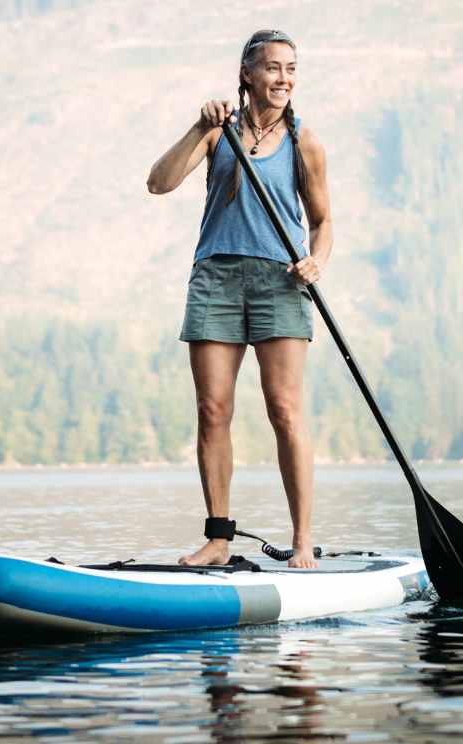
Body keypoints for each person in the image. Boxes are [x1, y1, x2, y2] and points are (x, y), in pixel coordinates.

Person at [147, 29, 333, 568]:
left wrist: (316, 259)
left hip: (281, 281)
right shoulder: (218, 133)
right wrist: (199, 126)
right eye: (273, 68)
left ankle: (301, 543)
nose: (284, 78)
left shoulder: (306, 143)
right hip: (216, 279)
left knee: (285, 410)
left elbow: (322, 222)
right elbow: (159, 183)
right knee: (212, 410)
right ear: (248, 73)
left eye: (292, 69)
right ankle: (219, 539)